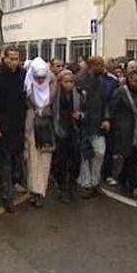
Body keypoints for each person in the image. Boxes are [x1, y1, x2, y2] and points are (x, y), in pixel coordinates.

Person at [0, 45, 27, 213]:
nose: (15, 62)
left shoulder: (23, 75)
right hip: (1, 125)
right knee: (5, 163)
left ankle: (13, 185)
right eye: (12, 59)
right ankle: (7, 197)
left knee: (17, 161)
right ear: (4, 58)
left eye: (17, 59)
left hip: (18, 125)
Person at [23, 57, 56, 208]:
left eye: (43, 77)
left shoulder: (52, 84)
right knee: (33, 160)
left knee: (45, 160)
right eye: (38, 78)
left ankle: (40, 191)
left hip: (47, 126)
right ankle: (34, 190)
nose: (41, 81)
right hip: (31, 126)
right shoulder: (27, 85)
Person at [76, 56, 111, 198]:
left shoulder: (102, 82)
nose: (103, 68)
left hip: (98, 124)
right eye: (100, 65)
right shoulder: (80, 81)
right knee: (85, 155)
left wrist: (107, 118)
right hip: (83, 125)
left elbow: (106, 102)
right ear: (92, 66)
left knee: (99, 152)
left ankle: (95, 181)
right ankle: (86, 184)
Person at [110, 69, 137, 196]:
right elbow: (112, 109)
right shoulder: (120, 92)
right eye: (135, 81)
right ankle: (130, 184)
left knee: (136, 158)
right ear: (129, 80)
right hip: (124, 130)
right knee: (129, 157)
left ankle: (124, 180)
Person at [53, 70, 83, 203]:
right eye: (66, 82)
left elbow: (85, 110)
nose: (69, 84)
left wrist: (80, 115)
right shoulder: (55, 95)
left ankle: (72, 185)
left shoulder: (78, 94)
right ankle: (62, 188)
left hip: (73, 129)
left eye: (71, 81)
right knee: (61, 161)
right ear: (60, 82)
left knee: (76, 160)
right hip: (60, 130)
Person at [102, 58, 121, 186]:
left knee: (108, 147)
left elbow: (114, 100)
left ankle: (107, 173)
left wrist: (108, 117)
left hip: (110, 117)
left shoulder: (113, 81)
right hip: (94, 117)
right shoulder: (92, 79)